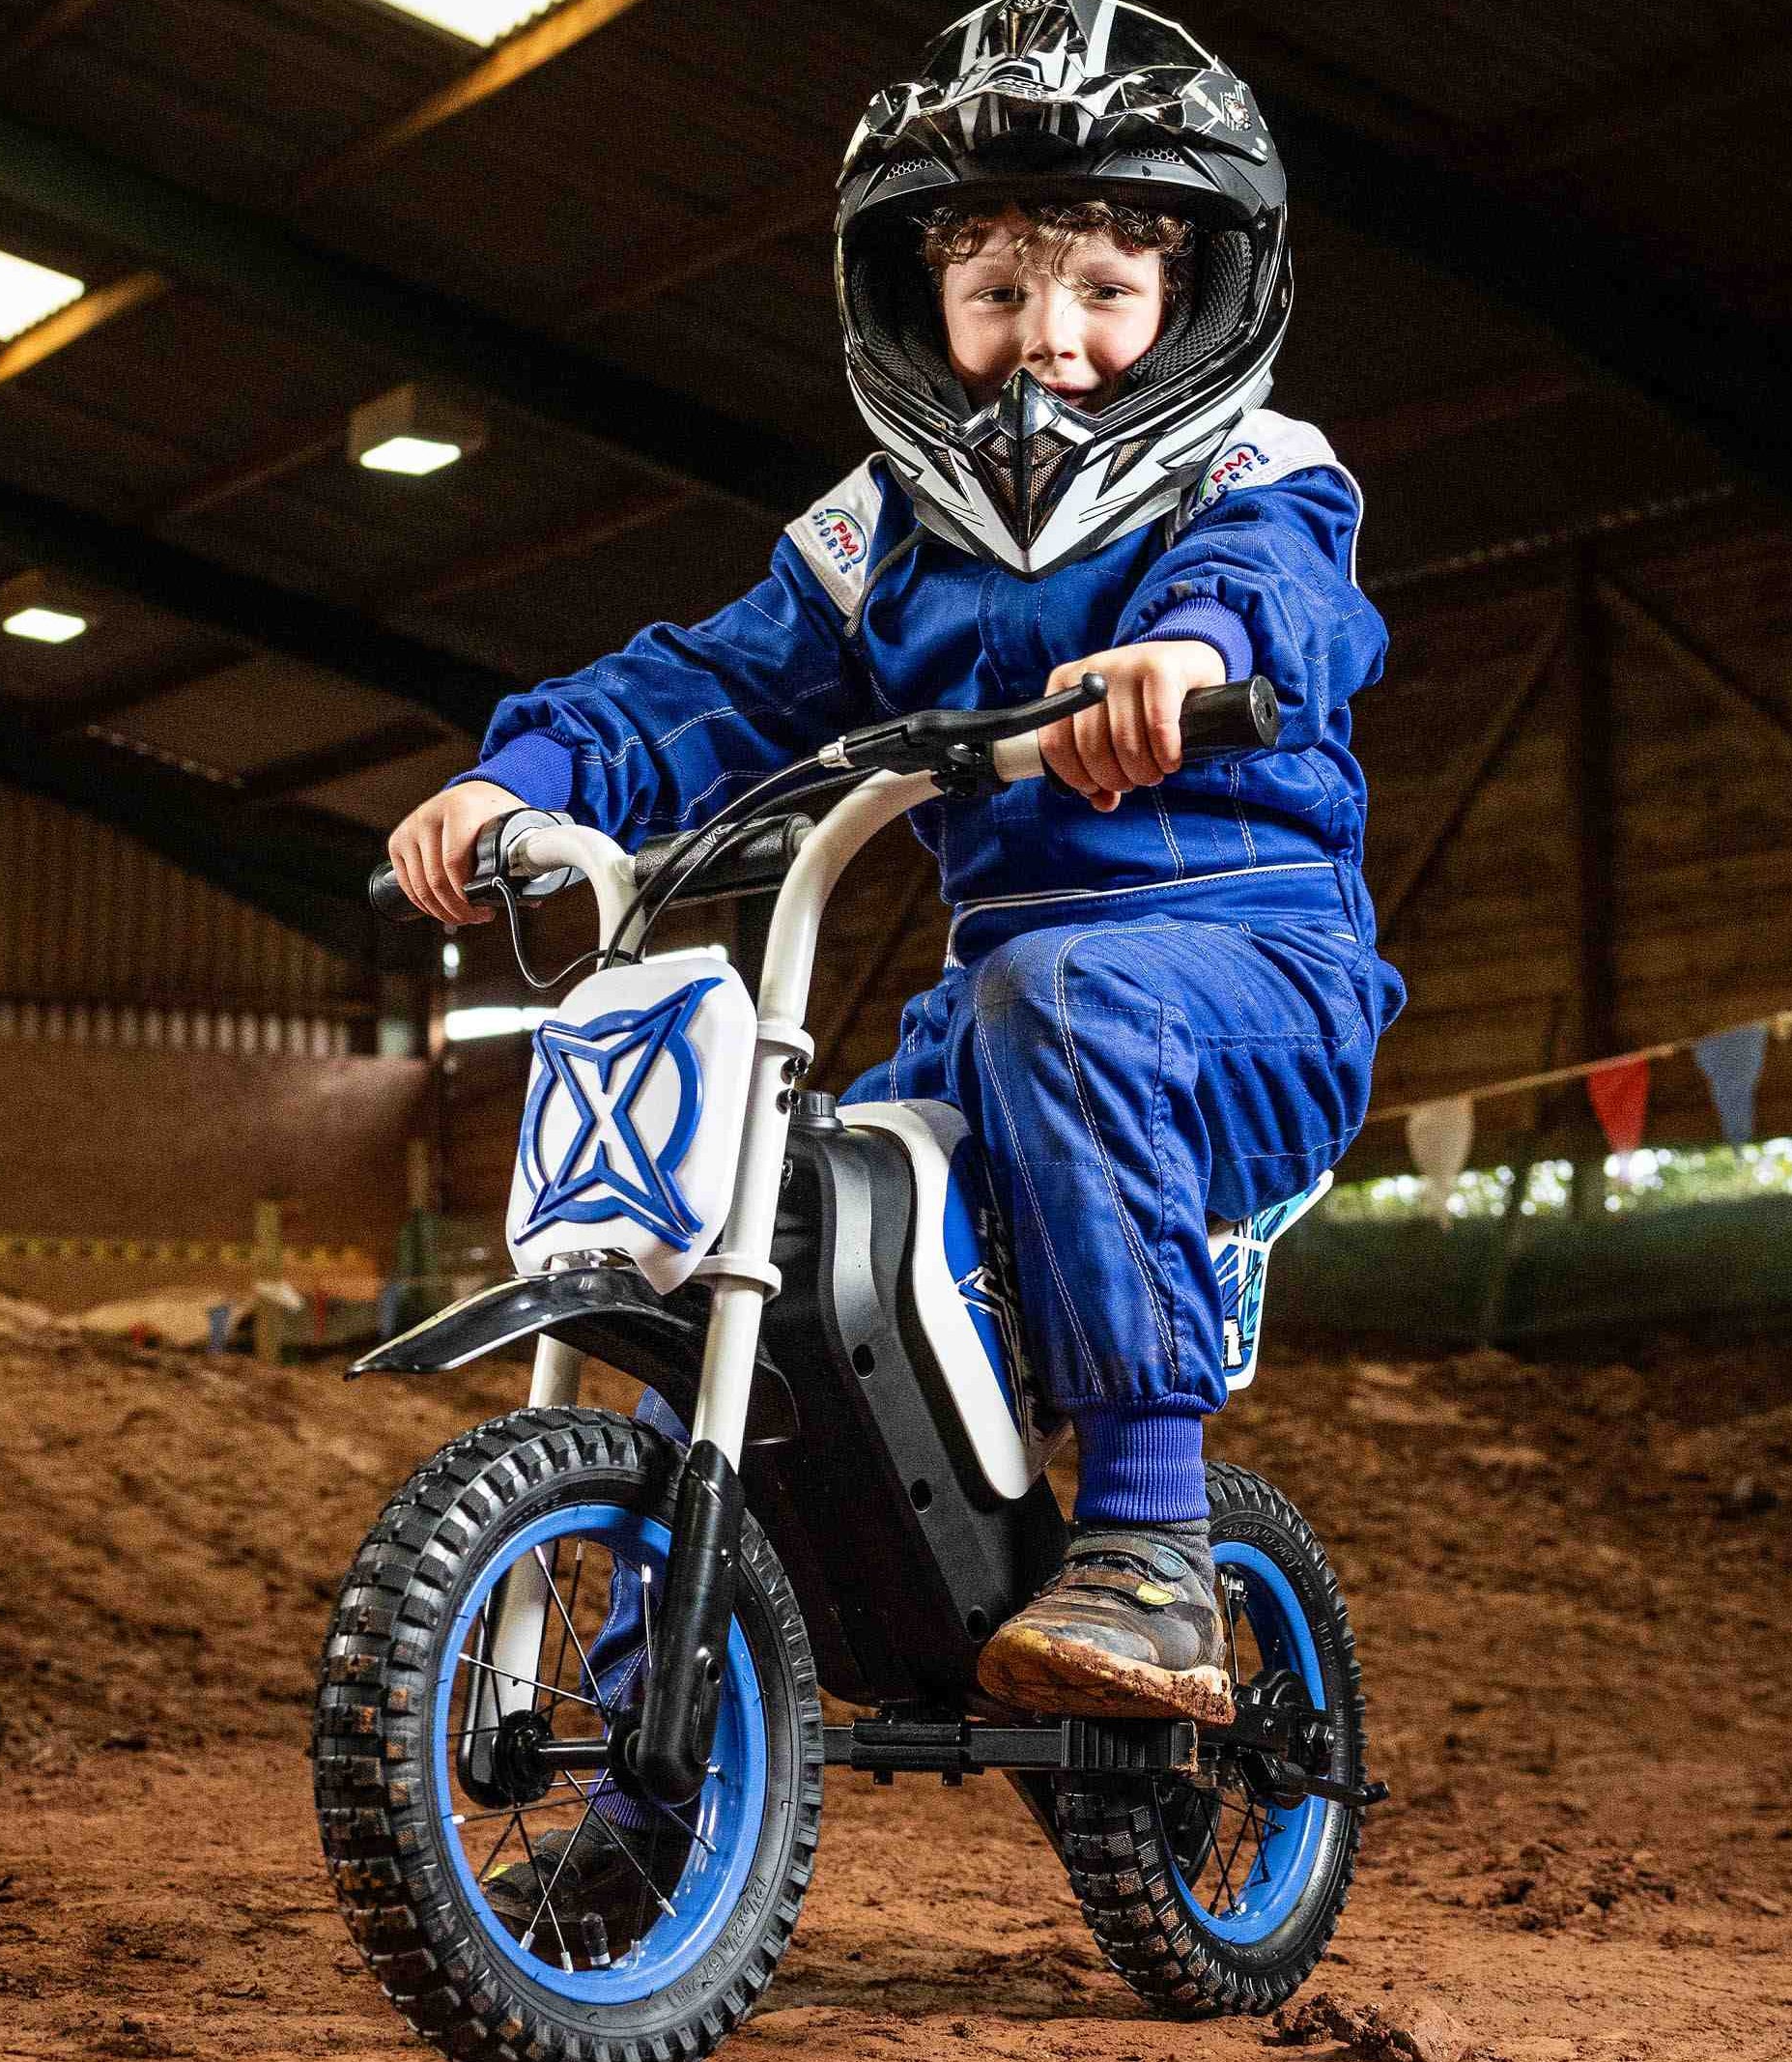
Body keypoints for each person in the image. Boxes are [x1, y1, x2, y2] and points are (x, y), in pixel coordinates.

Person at [389, 1, 1402, 1744]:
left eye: (1101, 290)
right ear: (922, 301)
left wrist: (1184, 650)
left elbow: (1292, 592)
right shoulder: (885, 532)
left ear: (1191, 296)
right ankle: (688, 1666)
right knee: (796, 1194)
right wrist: (521, 780)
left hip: (1253, 973)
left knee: (1053, 1003)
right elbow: (711, 679)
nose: (1049, 338)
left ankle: (1153, 1535)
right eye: (1000, 291)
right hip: (1005, 1007)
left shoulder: (1257, 475)